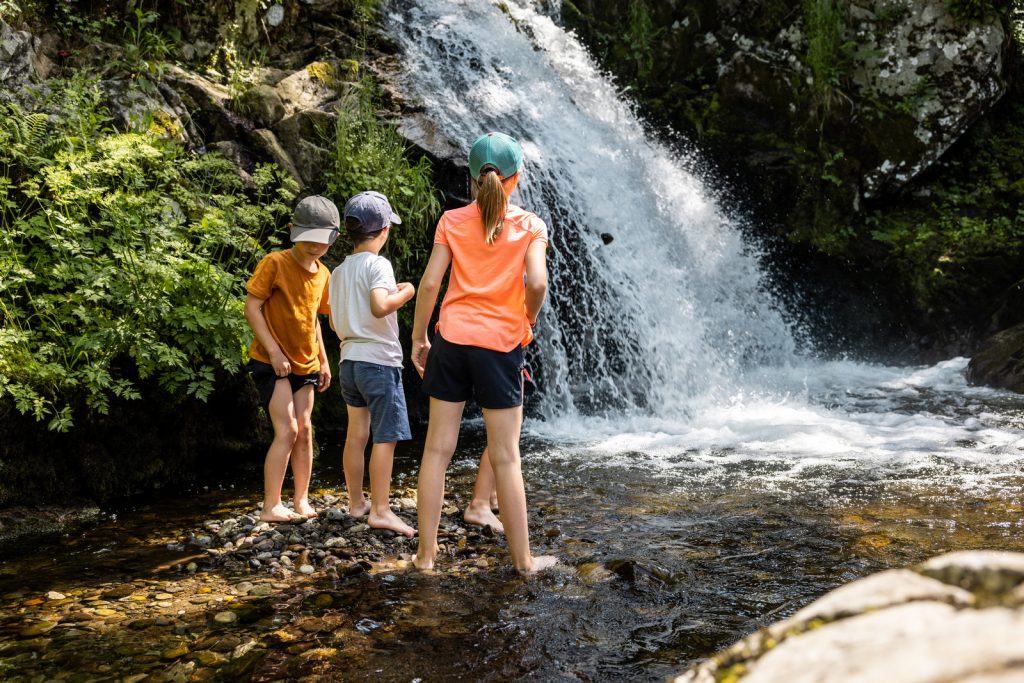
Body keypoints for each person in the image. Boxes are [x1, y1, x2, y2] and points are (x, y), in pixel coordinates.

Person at [411, 132, 557, 573]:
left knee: (437, 451)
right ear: (516, 178)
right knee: (505, 456)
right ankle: (524, 562)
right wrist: (525, 321)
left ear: (473, 179)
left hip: (452, 340)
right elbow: (537, 284)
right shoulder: (530, 225)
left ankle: (425, 557)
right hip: (499, 347)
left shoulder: (452, 221)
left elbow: (431, 283)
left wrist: (420, 337)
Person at [328, 191, 416, 538]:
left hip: (349, 361)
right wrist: (406, 292)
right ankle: (380, 510)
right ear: (383, 231)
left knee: (356, 434)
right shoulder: (378, 264)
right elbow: (381, 306)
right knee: (386, 437)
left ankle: (356, 503)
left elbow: (334, 323)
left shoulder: (337, 272)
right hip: (378, 361)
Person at [244, 195, 336, 523]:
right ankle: (271, 505)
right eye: (308, 240)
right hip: (272, 361)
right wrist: (273, 351)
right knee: (288, 430)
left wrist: (324, 360)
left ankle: (301, 500)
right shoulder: (275, 263)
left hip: (306, 362)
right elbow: (252, 308)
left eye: (321, 242)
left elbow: (314, 319)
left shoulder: (324, 273)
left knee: (306, 430)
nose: (314, 247)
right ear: (293, 232)